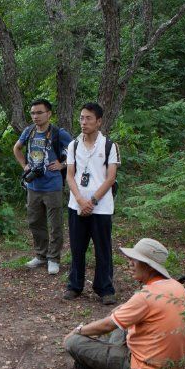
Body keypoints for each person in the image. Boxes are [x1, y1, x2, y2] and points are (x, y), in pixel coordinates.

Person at [63, 238, 185, 369]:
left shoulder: (145, 297)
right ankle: (104, 356)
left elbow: (107, 325)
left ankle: (101, 364)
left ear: (149, 267)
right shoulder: (177, 286)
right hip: (171, 368)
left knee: (73, 342)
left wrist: (78, 331)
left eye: (135, 260)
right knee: (120, 321)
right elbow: (123, 314)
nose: (130, 263)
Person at [63, 102, 119, 304]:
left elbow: (110, 178)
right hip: (76, 205)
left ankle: (105, 288)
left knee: (102, 248)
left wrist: (92, 201)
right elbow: (70, 176)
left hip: (101, 207)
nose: (83, 122)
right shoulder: (73, 145)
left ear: (99, 121)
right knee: (77, 247)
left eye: (88, 118)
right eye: (81, 118)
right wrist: (79, 200)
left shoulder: (109, 146)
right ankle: (74, 285)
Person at [12, 99, 73, 275]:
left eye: (39, 112)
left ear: (49, 114)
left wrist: (62, 165)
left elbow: (76, 151)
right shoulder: (29, 131)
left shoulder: (58, 133)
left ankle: (54, 258)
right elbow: (17, 148)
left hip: (52, 185)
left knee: (55, 224)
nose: (35, 116)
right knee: (35, 222)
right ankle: (41, 255)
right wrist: (25, 165)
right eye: (32, 113)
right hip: (33, 185)